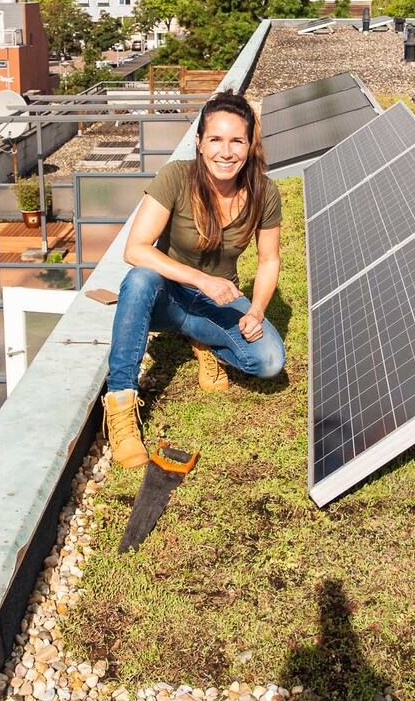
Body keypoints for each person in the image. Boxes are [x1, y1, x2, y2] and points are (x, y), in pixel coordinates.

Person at [105, 91, 286, 466]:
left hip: (216, 303)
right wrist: (202, 281)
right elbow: (135, 249)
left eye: (237, 140)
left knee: (268, 361)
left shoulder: (264, 192)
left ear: (250, 146)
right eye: (216, 140)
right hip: (166, 297)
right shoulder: (175, 177)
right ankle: (120, 405)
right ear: (199, 143)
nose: (226, 151)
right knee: (139, 280)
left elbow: (269, 260)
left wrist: (255, 311)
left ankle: (203, 341)